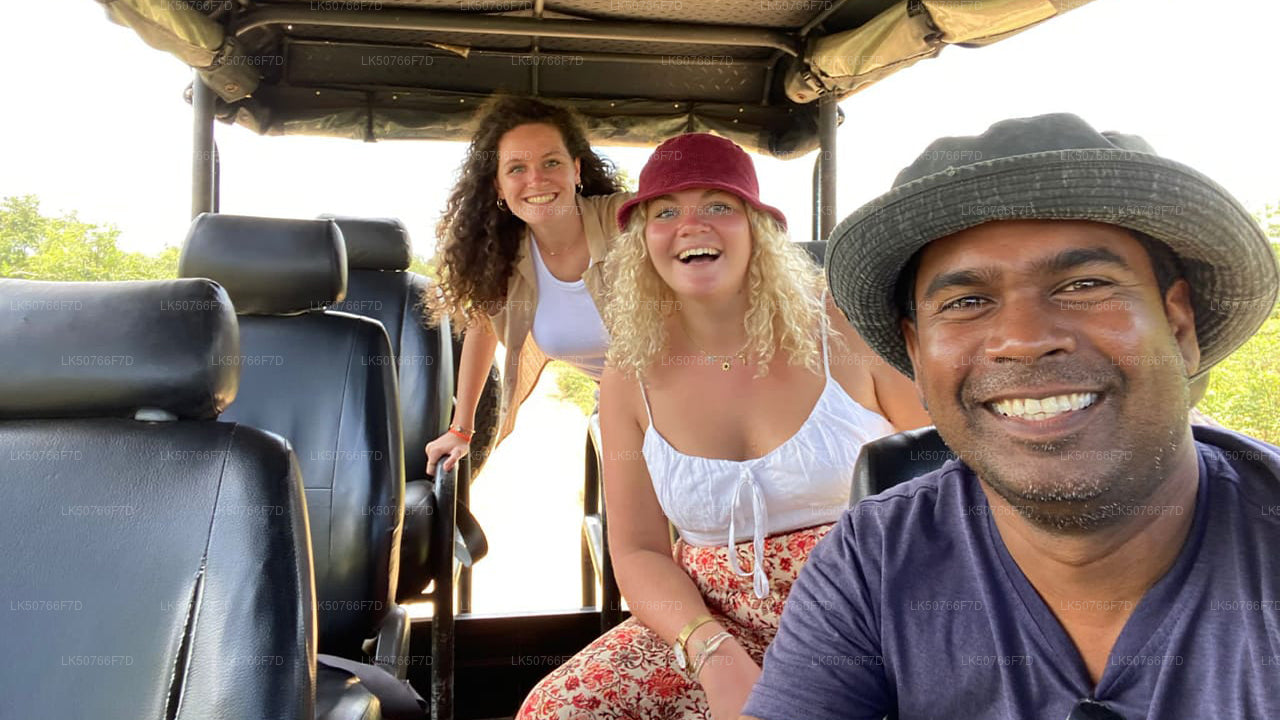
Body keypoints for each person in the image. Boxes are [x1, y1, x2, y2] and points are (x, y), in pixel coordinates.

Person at [743, 113, 1280, 719]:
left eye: (1084, 285)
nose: (1024, 340)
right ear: (916, 357)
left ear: (1178, 327)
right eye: (967, 301)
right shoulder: (877, 559)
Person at [517, 133, 930, 720]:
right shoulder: (628, 374)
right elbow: (637, 550)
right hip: (714, 619)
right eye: (665, 212)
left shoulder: (845, 328)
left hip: (872, 611)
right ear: (643, 242)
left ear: (757, 228)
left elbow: (952, 480)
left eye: (718, 205)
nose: (691, 225)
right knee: (558, 709)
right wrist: (715, 656)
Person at [424, 97, 630, 474]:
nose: (536, 179)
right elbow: (485, 326)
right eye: (517, 168)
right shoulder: (503, 258)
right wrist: (460, 430)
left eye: (551, 162)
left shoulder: (630, 222)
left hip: (701, 390)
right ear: (499, 188)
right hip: (622, 409)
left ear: (576, 170)